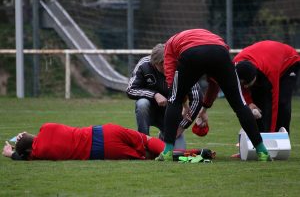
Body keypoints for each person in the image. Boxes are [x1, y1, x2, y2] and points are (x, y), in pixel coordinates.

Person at [155, 29, 271, 162]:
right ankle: (262, 151)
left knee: (173, 100)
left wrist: (177, 98)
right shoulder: (211, 37)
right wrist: (204, 109)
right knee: (240, 104)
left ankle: (167, 151)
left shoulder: (170, 44)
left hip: (192, 53)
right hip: (219, 51)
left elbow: (170, 75)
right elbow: (214, 82)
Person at [2, 122, 215, 161]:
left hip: (104, 150)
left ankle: (198, 155)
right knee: (148, 140)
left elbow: (21, 156)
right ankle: (197, 151)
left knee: (149, 157)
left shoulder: (39, 154)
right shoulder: (47, 127)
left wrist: (11, 153)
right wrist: (24, 137)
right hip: (105, 130)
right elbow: (34, 137)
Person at [127, 44, 203, 149]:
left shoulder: (181, 66)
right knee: (142, 103)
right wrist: (155, 95)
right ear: (154, 63)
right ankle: (144, 143)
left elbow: (197, 97)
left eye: (168, 63)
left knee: (178, 152)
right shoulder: (144, 65)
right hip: (150, 110)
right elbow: (131, 90)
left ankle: (164, 136)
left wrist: (181, 126)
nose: (165, 66)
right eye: (161, 64)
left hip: (171, 112)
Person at [234, 40, 300, 134]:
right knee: (257, 104)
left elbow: (273, 104)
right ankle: (257, 136)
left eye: (248, 84)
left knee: (282, 103)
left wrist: (270, 136)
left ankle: (281, 138)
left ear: (255, 77)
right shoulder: (235, 67)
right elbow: (240, 88)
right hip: (264, 58)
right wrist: (250, 103)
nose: (245, 86)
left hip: (289, 61)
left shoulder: (270, 72)